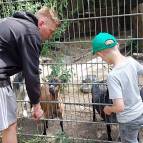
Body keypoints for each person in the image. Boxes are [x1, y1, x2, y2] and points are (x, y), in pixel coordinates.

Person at [0, 6, 60, 143]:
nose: (50, 37)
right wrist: (37, 105)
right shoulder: (31, 32)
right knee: (10, 125)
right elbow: (31, 73)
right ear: (41, 23)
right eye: (50, 32)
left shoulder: (13, 23)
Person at [91, 32, 143, 143]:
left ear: (101, 54)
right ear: (117, 45)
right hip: (140, 112)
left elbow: (119, 107)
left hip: (128, 119)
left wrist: (108, 109)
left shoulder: (113, 76)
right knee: (131, 137)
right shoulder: (131, 61)